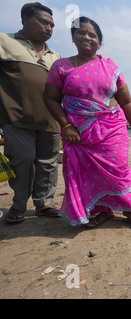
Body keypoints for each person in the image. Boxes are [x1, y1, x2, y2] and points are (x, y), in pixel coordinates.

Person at [44, 16, 131, 227]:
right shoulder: (61, 66)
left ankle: (130, 207)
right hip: (78, 132)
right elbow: (50, 98)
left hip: (112, 127)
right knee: (88, 174)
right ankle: (103, 211)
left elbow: (126, 101)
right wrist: (66, 125)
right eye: (81, 32)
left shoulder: (110, 67)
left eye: (92, 34)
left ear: (99, 41)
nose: (86, 37)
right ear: (73, 37)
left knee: (119, 168)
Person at [1, 3, 62, 224]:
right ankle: (18, 205)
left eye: (52, 25)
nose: (49, 28)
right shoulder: (4, 41)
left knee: (48, 163)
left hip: (50, 120)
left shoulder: (56, 56)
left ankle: (43, 203)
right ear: (25, 18)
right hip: (16, 117)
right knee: (23, 160)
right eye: (44, 22)